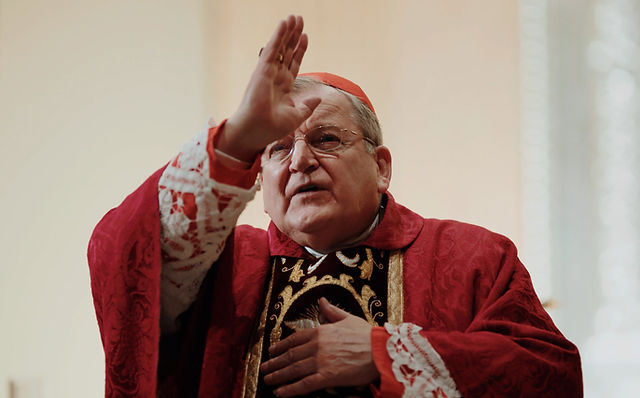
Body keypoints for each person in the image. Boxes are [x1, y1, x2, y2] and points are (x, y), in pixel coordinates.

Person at [88, 15, 582, 398]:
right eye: (277, 148)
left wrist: (386, 353)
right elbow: (126, 259)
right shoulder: (222, 266)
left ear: (381, 167)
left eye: (326, 138)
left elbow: (549, 376)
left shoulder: (472, 256)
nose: (300, 160)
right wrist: (238, 136)